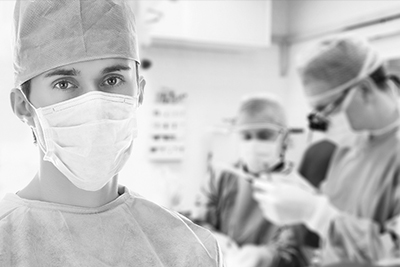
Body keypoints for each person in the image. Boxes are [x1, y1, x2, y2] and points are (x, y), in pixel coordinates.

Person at [0, 1, 222, 266]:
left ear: (139, 91)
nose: (94, 102)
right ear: (23, 106)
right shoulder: (6, 243)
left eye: (112, 80)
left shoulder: (188, 249)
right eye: (64, 83)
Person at [252, 35, 400, 265]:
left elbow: (392, 251)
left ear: (363, 89)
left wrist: (316, 213)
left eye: (327, 109)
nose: (324, 123)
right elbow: (335, 235)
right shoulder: (348, 149)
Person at [191, 94, 309, 267]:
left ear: (284, 137)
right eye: (246, 136)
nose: (254, 143)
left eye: (264, 135)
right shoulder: (221, 176)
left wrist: (266, 257)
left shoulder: (298, 189)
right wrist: (213, 238)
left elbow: (296, 251)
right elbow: (197, 223)